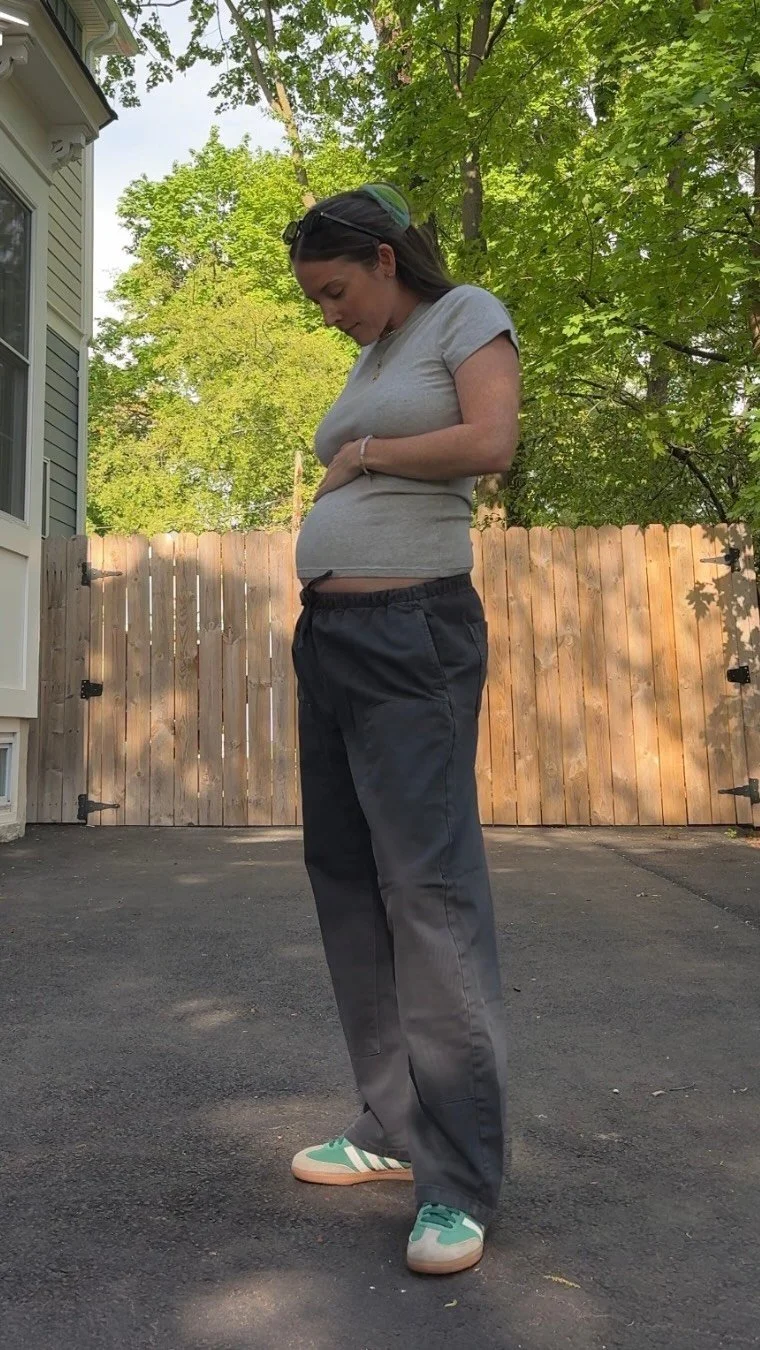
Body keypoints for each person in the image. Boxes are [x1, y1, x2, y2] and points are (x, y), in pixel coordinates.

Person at [283, 183, 520, 1276]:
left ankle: (458, 1179)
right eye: (317, 301)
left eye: (336, 291)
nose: (329, 313)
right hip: (330, 637)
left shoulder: (466, 313)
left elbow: (492, 442)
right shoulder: (375, 354)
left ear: (384, 259)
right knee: (346, 879)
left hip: (411, 633)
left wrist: (368, 457)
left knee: (429, 896)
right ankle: (389, 1126)